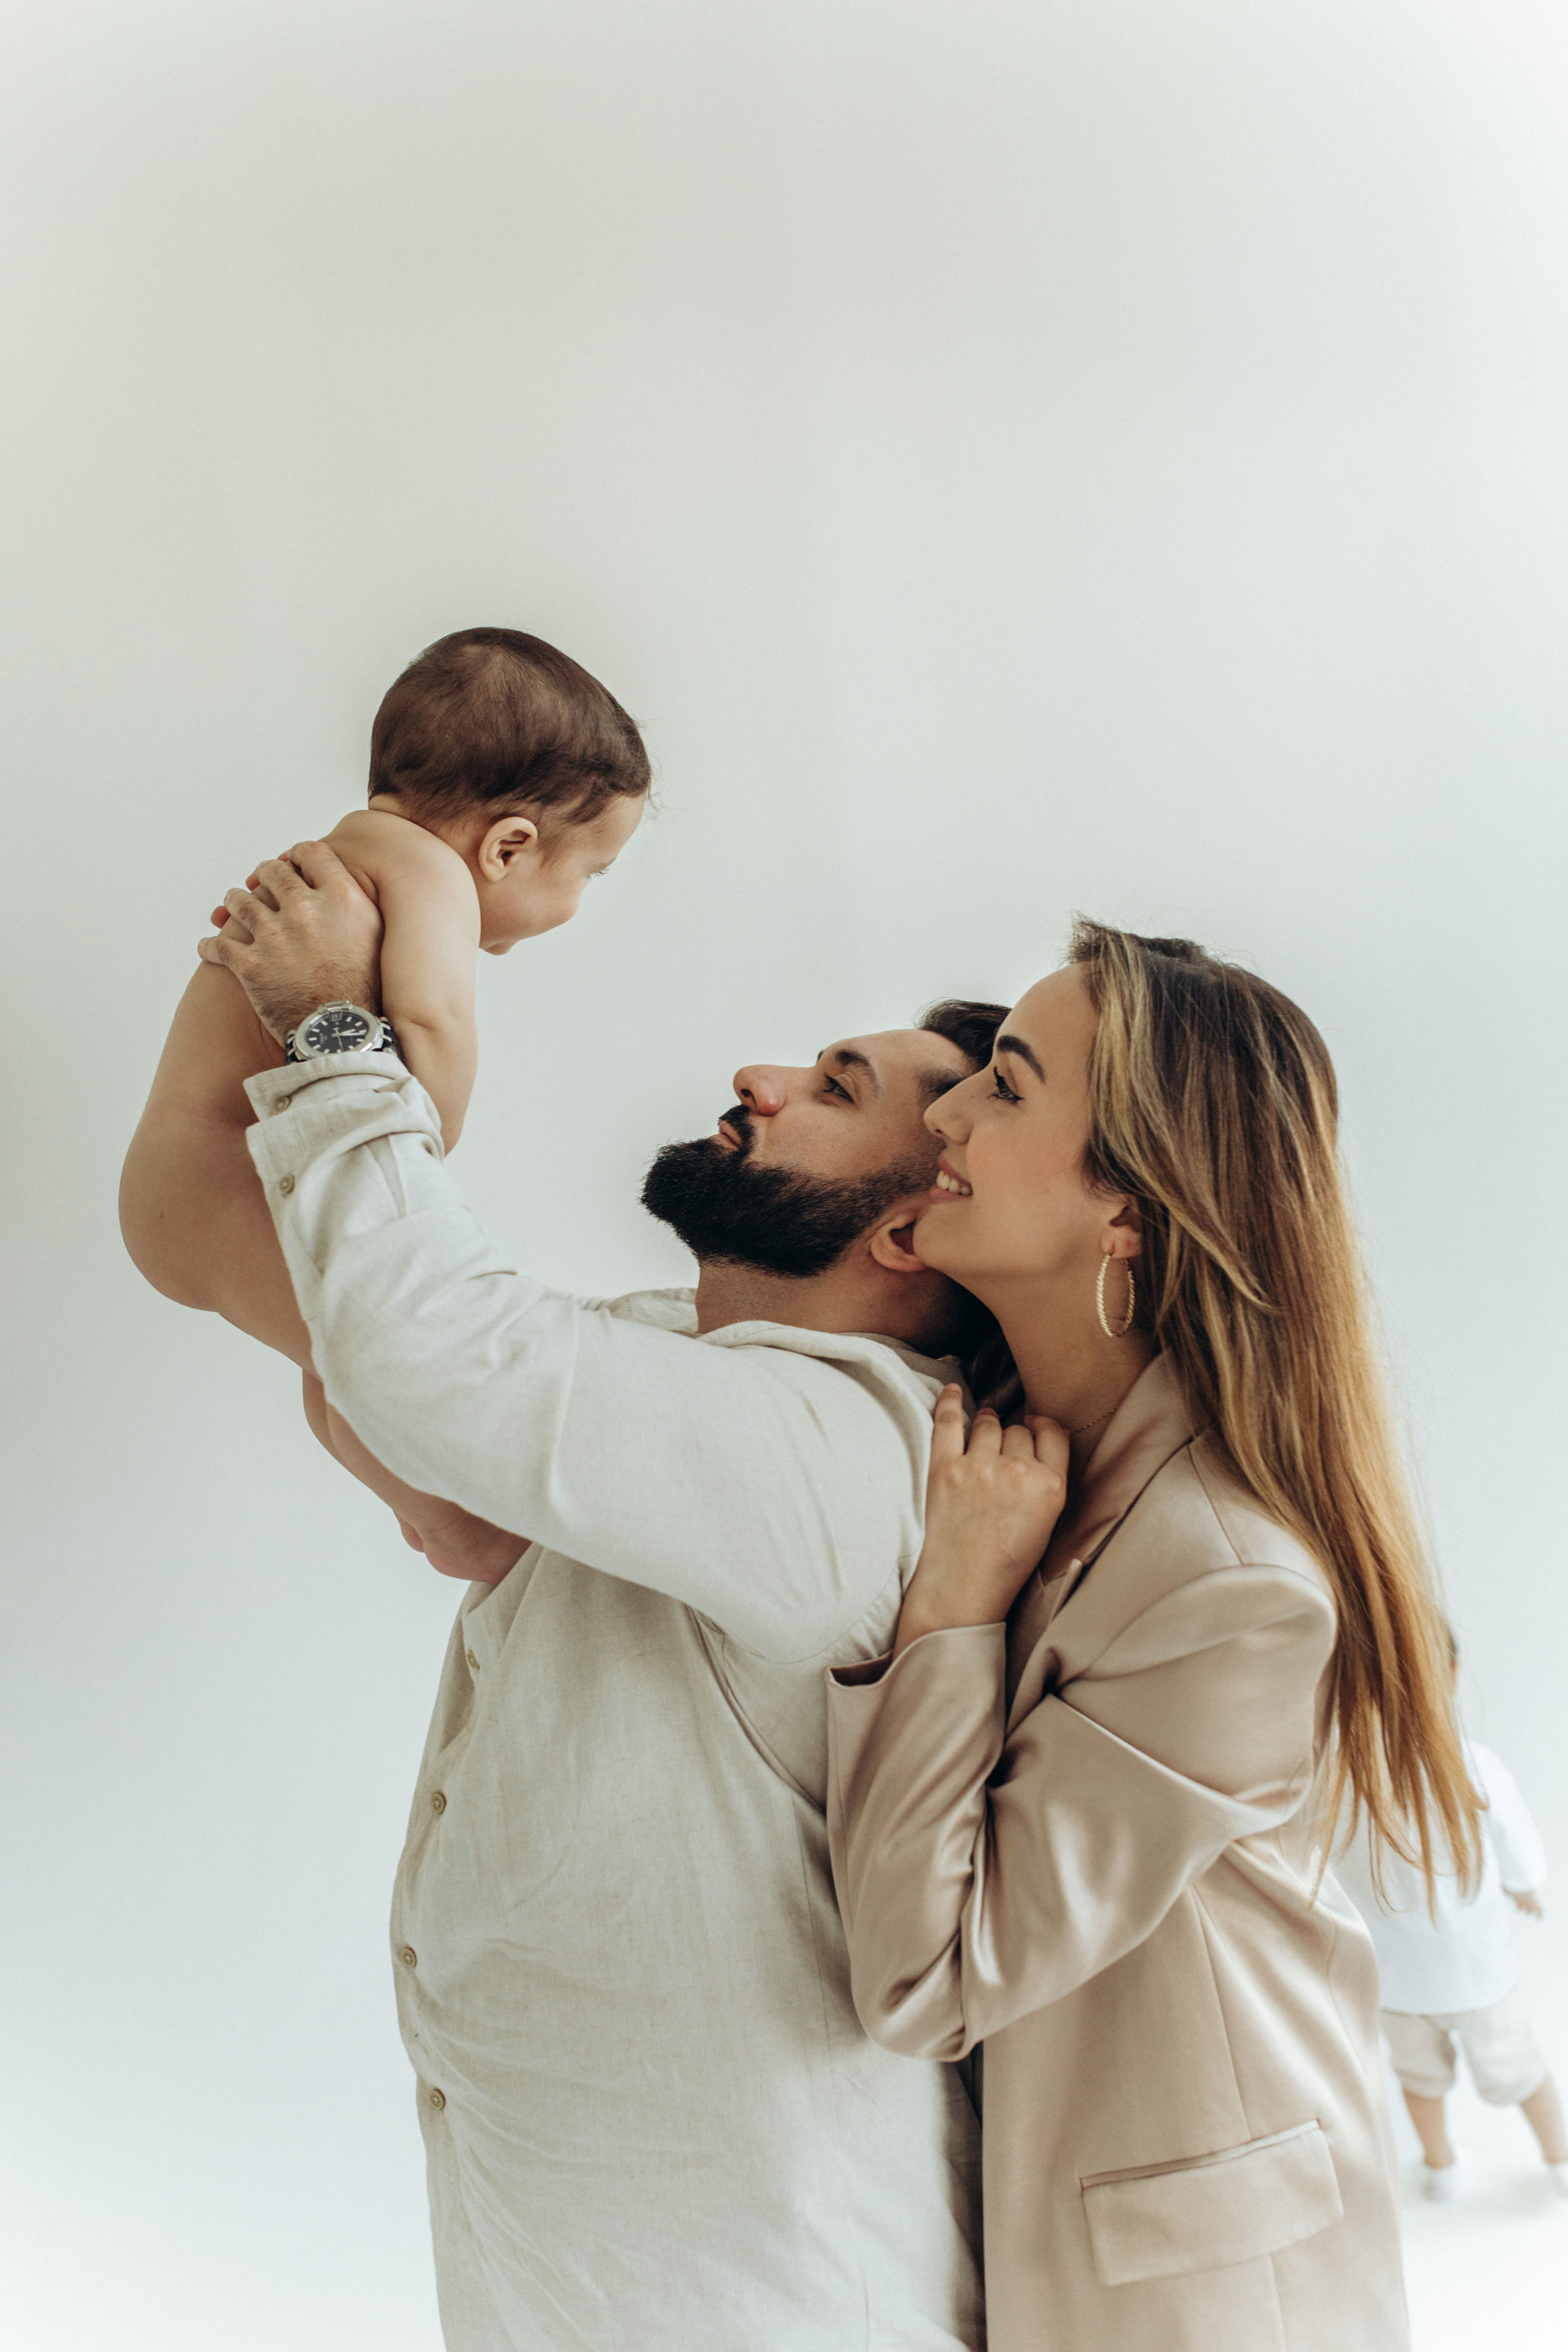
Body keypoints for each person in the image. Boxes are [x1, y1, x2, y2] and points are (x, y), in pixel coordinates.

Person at [130, 827, 1006, 2349]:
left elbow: (440, 1357)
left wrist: (339, 1034)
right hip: (580, 2251)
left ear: (907, 1228)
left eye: (833, 1088)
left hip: (754, 2296)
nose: (759, 1076)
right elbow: (430, 1391)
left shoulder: (846, 1446)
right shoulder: (697, 1365)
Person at [822, 921, 1483, 2352]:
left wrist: (948, 1611)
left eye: (1003, 1083)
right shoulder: (1002, 1429)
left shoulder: (1230, 1588)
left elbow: (926, 1974)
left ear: (1126, 1209)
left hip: (1200, 2299)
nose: (942, 1111)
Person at [121, 625, 649, 1579]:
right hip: (214, 1177)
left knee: (346, 1346)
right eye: (591, 874)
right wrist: (422, 1146)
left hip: (191, 1178)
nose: (581, 901)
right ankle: (454, 1523)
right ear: (510, 847)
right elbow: (434, 1023)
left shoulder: (352, 854)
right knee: (371, 1348)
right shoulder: (431, 876)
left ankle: (430, 1514)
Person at [1335, 1626, 1567, 2202]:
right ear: (1454, 1677)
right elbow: (1512, 1834)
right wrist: (1525, 1884)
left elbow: (1325, 1856)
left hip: (1400, 1982)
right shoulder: (1473, 1765)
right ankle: (1560, 2160)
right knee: (1521, 2071)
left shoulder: (1345, 1776)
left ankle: (1441, 2169)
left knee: (1419, 2079)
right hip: (1477, 1972)